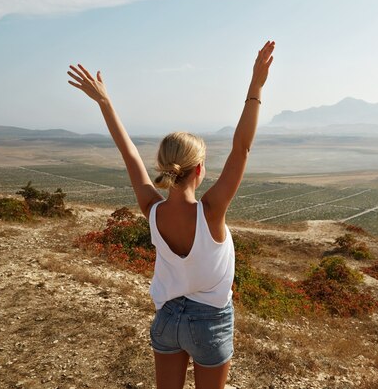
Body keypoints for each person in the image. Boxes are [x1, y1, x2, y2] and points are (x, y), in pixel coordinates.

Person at [67, 40, 275, 389]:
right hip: (210, 322)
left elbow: (129, 153)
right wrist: (255, 87)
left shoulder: (153, 210)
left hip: (167, 320)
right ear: (198, 171)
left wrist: (105, 102)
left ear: (166, 168)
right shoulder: (210, 212)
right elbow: (243, 147)